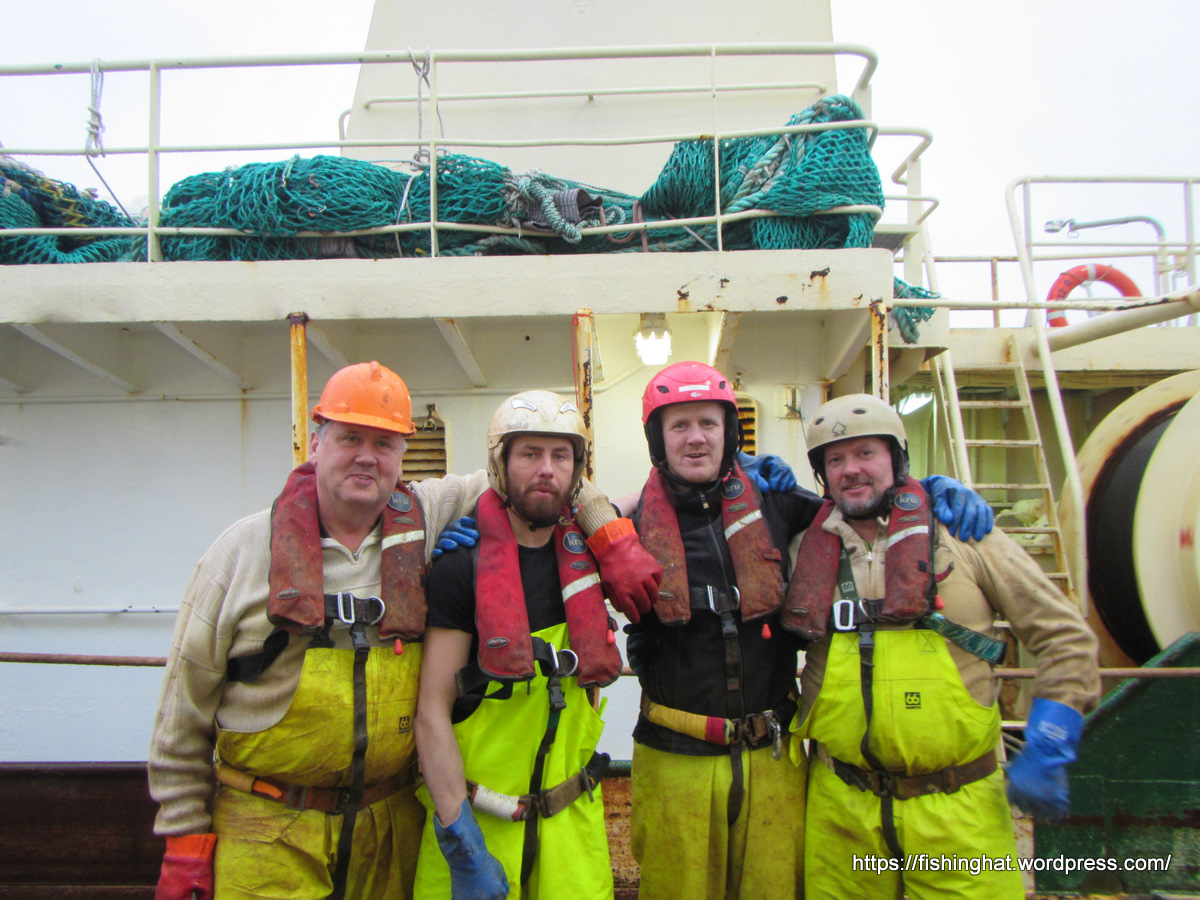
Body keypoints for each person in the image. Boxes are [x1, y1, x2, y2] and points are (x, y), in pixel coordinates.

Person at [148, 363, 659, 900]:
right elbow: (183, 706)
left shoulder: (428, 514)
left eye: (384, 443)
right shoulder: (241, 553)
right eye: (350, 438)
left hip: (390, 824)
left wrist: (611, 538)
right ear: (316, 442)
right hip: (267, 825)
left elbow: (548, 481)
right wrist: (184, 838)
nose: (367, 457)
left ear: (402, 454)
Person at [621, 361, 993, 900]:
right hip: (673, 759)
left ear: (730, 433)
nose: (695, 437)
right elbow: (552, 529)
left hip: (773, 759)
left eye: (708, 423)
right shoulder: (627, 530)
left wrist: (930, 489)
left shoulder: (782, 506)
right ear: (659, 440)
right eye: (679, 425)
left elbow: (858, 506)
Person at [781, 393, 1100, 899]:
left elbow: (1063, 634)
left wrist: (1050, 739)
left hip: (958, 809)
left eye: (866, 453)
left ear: (896, 458)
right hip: (840, 810)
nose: (851, 470)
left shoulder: (964, 536)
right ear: (822, 474)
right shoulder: (803, 549)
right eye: (835, 459)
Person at [413, 390, 621, 900]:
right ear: (501, 464)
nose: (547, 469)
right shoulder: (460, 569)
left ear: (577, 470)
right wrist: (461, 843)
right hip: (478, 828)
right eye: (530, 453)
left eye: (560, 455)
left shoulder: (592, 565)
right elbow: (431, 712)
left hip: (572, 833)